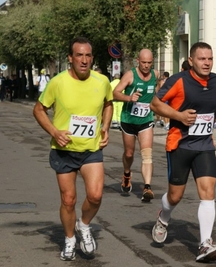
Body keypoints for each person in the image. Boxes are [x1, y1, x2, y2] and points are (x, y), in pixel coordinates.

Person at [150, 42, 216, 263]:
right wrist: (178, 116)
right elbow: (155, 104)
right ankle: (164, 217)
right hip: (180, 145)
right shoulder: (179, 80)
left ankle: (205, 242)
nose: (207, 63)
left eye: (210, 59)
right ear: (191, 60)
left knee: (208, 190)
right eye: (202, 59)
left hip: (204, 145)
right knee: (175, 196)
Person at [32, 37, 113, 261]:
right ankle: (69, 239)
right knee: (68, 200)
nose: (84, 60)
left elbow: (108, 103)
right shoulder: (57, 82)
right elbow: (39, 110)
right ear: (70, 58)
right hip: (64, 150)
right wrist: (54, 132)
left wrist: (105, 126)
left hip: (91, 149)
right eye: (79, 55)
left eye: (88, 55)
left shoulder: (102, 81)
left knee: (95, 196)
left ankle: (83, 225)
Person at [113, 48, 159, 202]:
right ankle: (127, 173)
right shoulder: (130, 75)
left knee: (147, 154)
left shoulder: (155, 75)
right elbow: (115, 93)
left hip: (146, 120)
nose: (146, 66)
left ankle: (147, 187)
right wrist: (129, 98)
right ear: (138, 61)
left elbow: (157, 93)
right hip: (128, 120)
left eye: (149, 63)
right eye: (143, 62)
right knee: (129, 153)